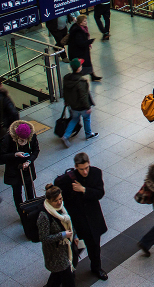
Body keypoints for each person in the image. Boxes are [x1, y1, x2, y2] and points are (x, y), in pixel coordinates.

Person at [54, 152, 108, 281]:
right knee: (73, 247)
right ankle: (68, 272)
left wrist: (84, 190)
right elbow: (58, 194)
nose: (85, 172)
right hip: (77, 219)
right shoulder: (68, 179)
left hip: (93, 217)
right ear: (76, 167)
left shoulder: (96, 173)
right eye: (82, 169)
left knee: (94, 246)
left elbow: (100, 193)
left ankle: (96, 268)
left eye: (86, 168)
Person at [37, 184, 76, 287]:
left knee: (57, 275)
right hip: (55, 253)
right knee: (68, 280)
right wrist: (63, 235)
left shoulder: (61, 208)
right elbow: (44, 238)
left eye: (60, 198)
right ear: (49, 201)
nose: (59, 202)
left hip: (64, 248)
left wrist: (74, 236)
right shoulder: (44, 217)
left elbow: (68, 223)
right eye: (56, 200)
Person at [0, 120, 39, 213]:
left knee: (30, 190)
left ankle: (32, 211)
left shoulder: (32, 136)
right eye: (21, 139)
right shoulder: (7, 139)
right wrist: (15, 154)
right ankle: (21, 213)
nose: (23, 142)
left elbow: (36, 150)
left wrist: (29, 161)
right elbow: (0, 158)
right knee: (17, 193)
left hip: (27, 168)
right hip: (13, 170)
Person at [61, 58, 99, 147]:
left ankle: (66, 135)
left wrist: (66, 101)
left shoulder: (66, 78)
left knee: (74, 119)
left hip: (73, 106)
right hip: (82, 106)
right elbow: (84, 96)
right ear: (79, 68)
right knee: (86, 118)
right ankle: (89, 134)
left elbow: (65, 91)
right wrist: (88, 107)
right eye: (81, 65)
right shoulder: (81, 81)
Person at [67, 14, 101, 81]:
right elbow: (80, 43)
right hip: (78, 53)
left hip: (81, 51)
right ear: (80, 23)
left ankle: (92, 75)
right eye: (84, 21)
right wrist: (89, 42)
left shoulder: (80, 28)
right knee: (81, 65)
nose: (86, 22)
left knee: (87, 63)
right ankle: (77, 78)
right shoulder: (78, 32)